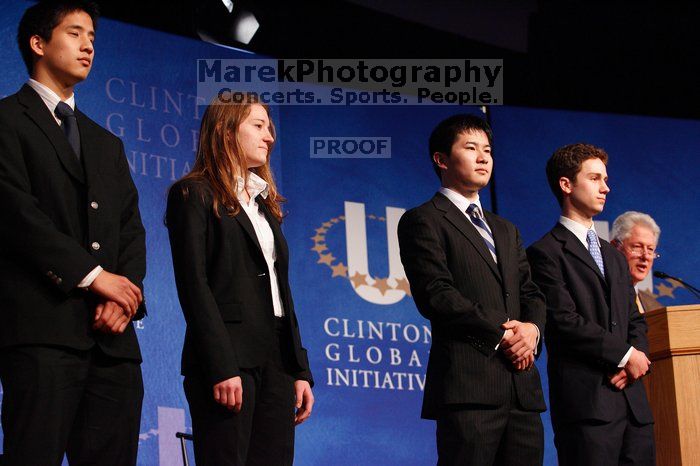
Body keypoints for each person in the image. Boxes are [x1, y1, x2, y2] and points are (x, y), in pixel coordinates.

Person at [0, 2, 147, 465]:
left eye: (93, 39)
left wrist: (125, 295)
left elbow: (131, 229)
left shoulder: (106, 142)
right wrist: (92, 276)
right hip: (43, 334)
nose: (88, 46)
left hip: (114, 343)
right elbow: (16, 215)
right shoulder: (6, 120)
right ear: (38, 43)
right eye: (75, 33)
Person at [166, 92, 314, 466]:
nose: (270, 137)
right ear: (226, 130)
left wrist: (298, 369)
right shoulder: (193, 193)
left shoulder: (265, 206)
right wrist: (221, 365)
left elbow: (282, 293)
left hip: (277, 364)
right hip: (228, 361)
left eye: (271, 128)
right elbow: (194, 285)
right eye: (259, 125)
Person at [397, 114, 546, 466]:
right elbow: (437, 294)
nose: (483, 158)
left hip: (522, 389)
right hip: (469, 387)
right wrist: (504, 333)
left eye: (488, 150)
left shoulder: (505, 229)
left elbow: (532, 293)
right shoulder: (424, 220)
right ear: (442, 159)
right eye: (471, 148)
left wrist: (532, 330)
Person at [527, 143, 655, 465]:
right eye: (595, 178)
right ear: (566, 184)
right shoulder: (545, 252)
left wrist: (636, 358)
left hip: (633, 407)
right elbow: (563, 320)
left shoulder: (613, 254)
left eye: (606, 179)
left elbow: (634, 319)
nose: (606, 188)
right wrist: (625, 355)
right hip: (588, 408)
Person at [611, 211, 663, 312]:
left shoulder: (655, 307)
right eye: (637, 247)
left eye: (650, 249)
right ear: (615, 247)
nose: (646, 256)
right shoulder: (602, 296)